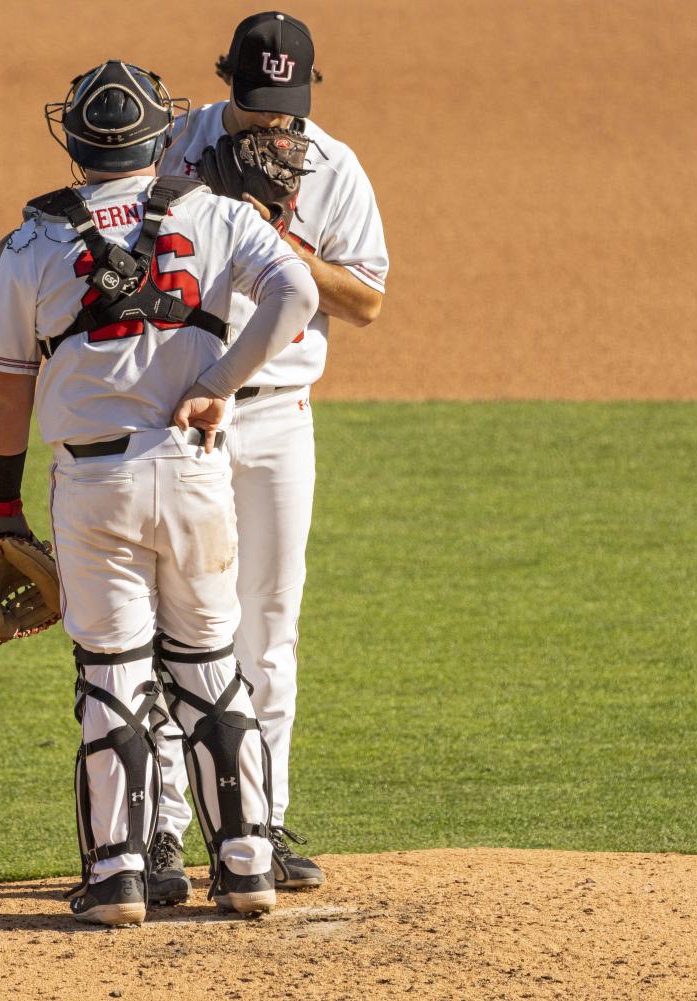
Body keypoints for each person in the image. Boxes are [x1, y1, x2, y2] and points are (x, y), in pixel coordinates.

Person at [0, 59, 319, 926]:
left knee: (113, 674)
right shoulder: (215, 215)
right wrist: (222, 384)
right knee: (210, 665)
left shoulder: (29, 246)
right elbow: (298, 292)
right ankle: (245, 864)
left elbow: (9, 390)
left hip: (94, 485)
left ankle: (120, 874)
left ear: (77, 138)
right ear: (160, 135)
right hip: (196, 469)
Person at [147, 11, 390, 903]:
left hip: (280, 415)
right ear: (228, 84)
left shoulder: (334, 165)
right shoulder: (178, 144)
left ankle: (260, 819)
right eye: (255, 106)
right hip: (186, 416)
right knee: (183, 625)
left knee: (268, 627)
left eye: (284, 107)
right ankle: (162, 831)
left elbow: (364, 300)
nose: (270, 124)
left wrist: (280, 246)